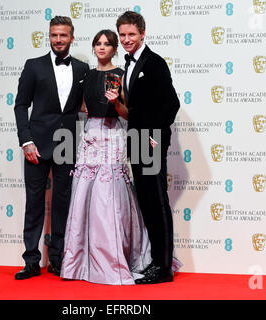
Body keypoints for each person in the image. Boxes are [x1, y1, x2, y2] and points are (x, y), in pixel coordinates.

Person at [60, 30, 152, 285]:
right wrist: (88, 107)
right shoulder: (86, 75)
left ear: (114, 49)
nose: (102, 47)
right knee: (84, 195)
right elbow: (79, 105)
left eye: (107, 44)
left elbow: (127, 113)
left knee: (108, 196)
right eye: (98, 43)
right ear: (93, 47)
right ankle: (78, 264)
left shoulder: (122, 76)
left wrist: (115, 103)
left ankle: (112, 259)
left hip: (112, 136)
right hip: (90, 136)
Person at [13, 16, 89, 280]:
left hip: (67, 144)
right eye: (54, 35)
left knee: (62, 204)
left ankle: (57, 260)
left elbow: (81, 105)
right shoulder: (33, 66)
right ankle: (32, 261)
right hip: (36, 145)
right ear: (49, 36)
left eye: (63, 35)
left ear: (71, 37)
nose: (58, 39)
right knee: (33, 203)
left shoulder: (82, 68)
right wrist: (26, 141)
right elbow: (21, 105)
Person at [116, 11, 181, 284]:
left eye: (131, 34)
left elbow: (171, 104)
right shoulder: (128, 65)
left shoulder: (154, 63)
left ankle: (164, 267)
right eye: (122, 35)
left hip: (150, 143)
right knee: (147, 202)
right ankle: (156, 262)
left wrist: (154, 138)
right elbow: (137, 109)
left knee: (157, 201)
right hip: (137, 142)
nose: (127, 39)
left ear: (143, 33)